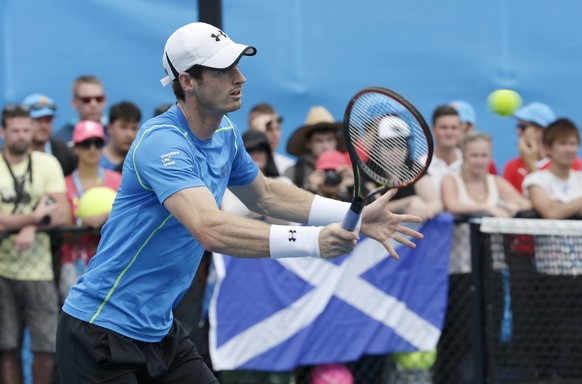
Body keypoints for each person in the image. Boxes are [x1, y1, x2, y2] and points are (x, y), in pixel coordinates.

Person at [55, 22, 424, 383]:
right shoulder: (161, 144)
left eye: (238, 65)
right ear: (187, 81)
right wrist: (313, 242)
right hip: (100, 333)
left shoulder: (224, 133)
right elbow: (210, 228)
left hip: (158, 330)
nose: (240, 77)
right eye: (223, 69)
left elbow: (266, 194)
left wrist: (350, 216)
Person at [0, 104, 70, 384]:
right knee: (6, 346)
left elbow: (62, 212)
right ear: (3, 132)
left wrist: (24, 225)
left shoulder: (46, 163)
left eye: (26, 130)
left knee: (45, 345)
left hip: (39, 270)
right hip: (2, 269)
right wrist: (36, 217)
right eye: (15, 130)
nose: (21, 135)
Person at [59, 120, 122, 300]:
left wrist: (111, 217)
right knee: (76, 320)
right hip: (74, 262)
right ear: (75, 148)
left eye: (98, 143)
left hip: (112, 260)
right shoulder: (63, 185)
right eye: (86, 144)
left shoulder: (118, 180)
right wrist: (80, 222)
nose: (92, 149)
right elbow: (61, 229)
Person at [442, 131, 531, 219]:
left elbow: (527, 203)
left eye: (484, 155)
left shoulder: (496, 182)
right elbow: (451, 205)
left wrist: (516, 205)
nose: (479, 161)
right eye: (474, 155)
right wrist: (486, 208)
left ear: (490, 157)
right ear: (464, 157)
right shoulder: (451, 180)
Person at [503, 102, 581, 193]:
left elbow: (558, 201)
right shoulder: (512, 166)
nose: (518, 132)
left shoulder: (569, 162)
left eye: (523, 127)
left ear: (540, 131)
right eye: (518, 127)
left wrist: (531, 165)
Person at [523, 118, 582, 219]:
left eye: (572, 144)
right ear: (548, 148)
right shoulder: (535, 180)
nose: (569, 149)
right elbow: (551, 213)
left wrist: (559, 206)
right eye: (562, 143)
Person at [284, 106, 346, 190]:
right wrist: (308, 187)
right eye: (319, 141)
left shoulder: (347, 169)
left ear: (336, 141)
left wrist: (354, 188)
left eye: (330, 139)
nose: (325, 146)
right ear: (308, 144)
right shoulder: (293, 173)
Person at [22, 94, 76, 176]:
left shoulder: (65, 152)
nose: (44, 126)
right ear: (23, 121)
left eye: (48, 120)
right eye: (38, 120)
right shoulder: (14, 151)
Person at [53, 75, 108, 145]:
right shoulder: (60, 139)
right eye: (86, 100)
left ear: (105, 101)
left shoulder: (116, 135)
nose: (93, 104)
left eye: (99, 99)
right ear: (74, 102)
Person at [426, 105, 464, 198]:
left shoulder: (472, 162)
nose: (449, 133)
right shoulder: (421, 166)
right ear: (433, 130)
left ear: (460, 130)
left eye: (454, 128)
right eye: (443, 127)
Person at [248, 102, 295, 174]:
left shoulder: (288, 166)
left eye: (278, 128)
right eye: (269, 129)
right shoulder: (241, 163)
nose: (275, 134)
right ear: (252, 130)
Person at [100, 101, 141, 172]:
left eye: (134, 128)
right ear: (110, 128)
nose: (129, 134)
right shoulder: (93, 159)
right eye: (123, 127)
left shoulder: (141, 164)